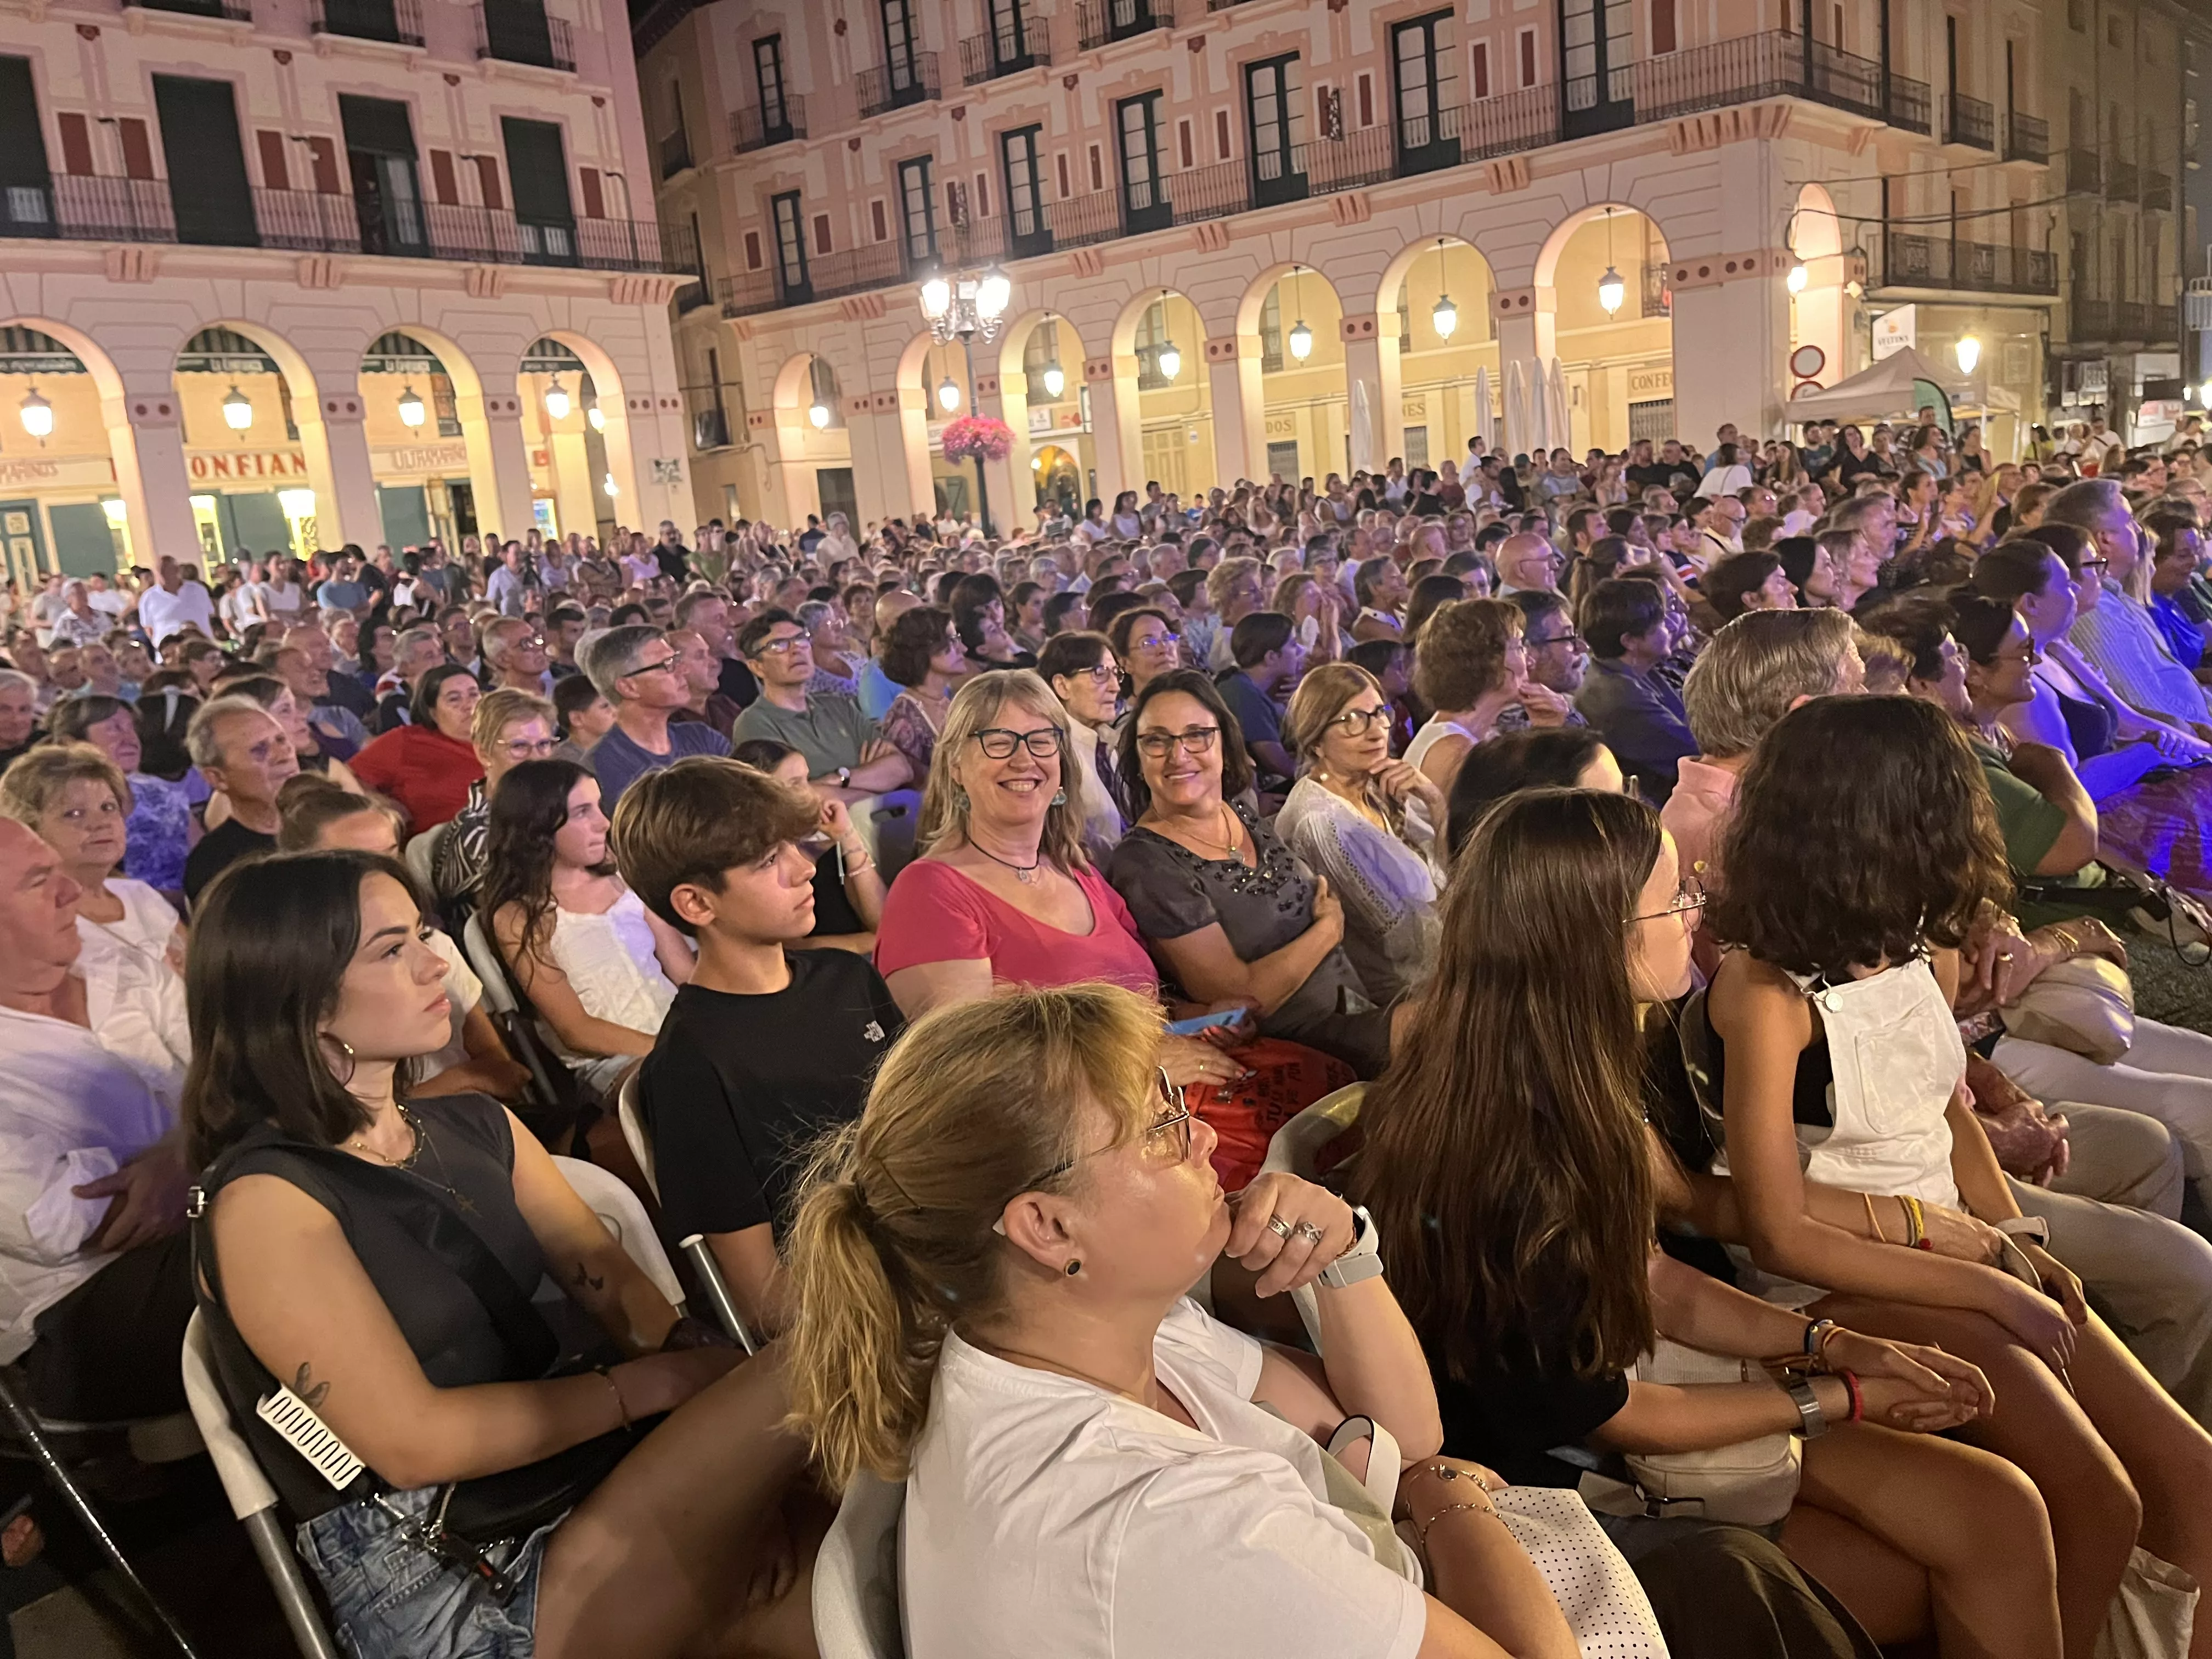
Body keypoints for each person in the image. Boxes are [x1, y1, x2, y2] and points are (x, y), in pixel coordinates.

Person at [1355, 787, 2058, 1659]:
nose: (1697, 911)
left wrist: (1831, 1344)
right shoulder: (1507, 1149)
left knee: (1997, 1510)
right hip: (1566, 1488)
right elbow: (1612, 1413)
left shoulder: (1580, 1064)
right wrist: (1836, 1394)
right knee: (1934, 1565)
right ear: (1601, 937)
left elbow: (1651, 1278)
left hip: (1637, 1411)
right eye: (1674, 895)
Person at [783, 981, 1587, 1659]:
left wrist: (1341, 1251)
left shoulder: (1085, 1333)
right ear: (1048, 1227)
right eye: (1161, 1126)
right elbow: (1427, 1473)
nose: (1203, 1133)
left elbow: (1401, 1436)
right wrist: (1449, 1500)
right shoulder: (1164, 1517)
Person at [183, 848, 815, 1659]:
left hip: (587, 1486)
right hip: (455, 1576)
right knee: (821, 1366)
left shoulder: (480, 1128)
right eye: (391, 950)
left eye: (423, 935)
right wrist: (654, 1389)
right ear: (300, 1002)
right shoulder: (267, 1202)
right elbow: (416, 1443)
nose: (433, 964)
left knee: (839, 1581)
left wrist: (739, 1485)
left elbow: (639, 1314)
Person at [1703, 695, 2212, 1658]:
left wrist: (2012, 1233)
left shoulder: (1912, 944)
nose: (1974, 823)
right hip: (1844, 1276)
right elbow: (1779, 1232)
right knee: (2096, 1498)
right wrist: (1982, 1276)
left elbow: (1944, 1108)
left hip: (1957, 1248)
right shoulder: (1764, 991)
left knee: (2192, 1475)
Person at [614, 759, 903, 1336]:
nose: (804, 871)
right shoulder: (690, 1068)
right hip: (862, 1311)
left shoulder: (846, 978)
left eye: (795, 847)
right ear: (697, 905)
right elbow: (766, 1300)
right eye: (769, 861)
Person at [0, 821, 195, 1436]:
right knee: (304, 1236)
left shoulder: (111, 959)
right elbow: (87, 1221)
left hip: (212, 1217)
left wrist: (183, 1156)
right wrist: (216, 1136)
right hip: (80, 1319)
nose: (72, 892)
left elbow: (240, 1069)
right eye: (39, 881)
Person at [1109, 670, 1392, 1076]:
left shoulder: (1238, 811)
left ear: (1225, 743)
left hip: (1358, 1004)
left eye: (1197, 735)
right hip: (1294, 1051)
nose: (1179, 755)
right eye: (1157, 740)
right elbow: (1239, 998)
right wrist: (1328, 929)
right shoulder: (1146, 863)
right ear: (1137, 759)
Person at [276, 778, 532, 1107]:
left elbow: (500, 1069)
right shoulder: (310, 983)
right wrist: (462, 1079)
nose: (383, 876)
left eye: (389, 855)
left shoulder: (433, 945)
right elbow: (352, 1115)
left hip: (481, 1116)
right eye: (355, 863)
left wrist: (469, 1081)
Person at [482, 760, 689, 1097]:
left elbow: (684, 971)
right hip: (613, 1061)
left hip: (680, 1030)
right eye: (582, 812)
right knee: (682, 1082)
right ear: (538, 827)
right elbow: (575, 1030)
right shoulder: (520, 915)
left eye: (598, 806)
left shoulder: (626, 878)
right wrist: (668, 1048)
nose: (604, 822)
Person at [0, 744, 191, 1096]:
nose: (100, 822)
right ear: (30, 830)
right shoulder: (47, 930)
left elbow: (202, 978)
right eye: (74, 814)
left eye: (109, 808)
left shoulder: (142, 896)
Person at [1276, 663, 1446, 1003]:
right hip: (1405, 998)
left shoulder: (1373, 786)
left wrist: (1437, 803)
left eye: (1380, 713)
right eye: (1353, 720)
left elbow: (1437, 877)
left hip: (1438, 973)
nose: (1377, 731)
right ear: (1316, 742)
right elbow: (1408, 945)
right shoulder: (1322, 823)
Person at [2047, 479, 2212, 732]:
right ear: (2106, 539)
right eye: (2129, 520)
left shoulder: (2115, 596)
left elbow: (2172, 678)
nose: (2138, 528)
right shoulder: (2095, 610)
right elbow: (2149, 704)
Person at [730, 611, 910, 804]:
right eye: (779, 645)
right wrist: (873, 790)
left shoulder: (839, 705)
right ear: (757, 667)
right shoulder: (755, 722)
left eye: (801, 639)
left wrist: (841, 778)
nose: (796, 650)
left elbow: (901, 768)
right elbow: (791, 798)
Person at [728, 740, 887, 953]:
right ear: (757, 796)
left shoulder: (829, 845)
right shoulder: (756, 864)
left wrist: (848, 836)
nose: (810, 793)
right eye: (795, 784)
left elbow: (881, 921)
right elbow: (788, 948)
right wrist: (869, 943)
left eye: (807, 779)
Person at [1405, 598, 1553, 810]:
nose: (1530, 661)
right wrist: (1547, 731)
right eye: (1519, 647)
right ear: (1487, 662)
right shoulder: (1453, 752)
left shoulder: (1478, 735)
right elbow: (1510, 825)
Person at [46, 692, 199, 894]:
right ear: (71, 744)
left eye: (132, 728)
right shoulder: (58, 809)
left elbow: (203, 857)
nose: (130, 739)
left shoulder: (163, 793)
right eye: (113, 729)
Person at [572, 625, 732, 813]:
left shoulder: (703, 738)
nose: (684, 671)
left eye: (677, 659)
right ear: (628, 687)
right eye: (668, 664)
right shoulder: (602, 766)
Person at [432, 687, 560, 916]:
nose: (536, 758)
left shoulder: (550, 802)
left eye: (544, 744)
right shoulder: (480, 835)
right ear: (484, 754)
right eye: (519, 747)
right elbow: (526, 917)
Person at [1574, 578, 1696, 804]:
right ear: (1630, 641)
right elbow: (1697, 752)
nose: (1670, 625)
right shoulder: (1620, 698)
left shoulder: (1637, 671)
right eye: (1660, 623)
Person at [183, 697, 301, 904]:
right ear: (218, 778)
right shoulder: (217, 866)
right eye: (259, 750)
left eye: (281, 740)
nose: (284, 755)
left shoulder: (334, 821)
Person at [348, 664, 486, 832]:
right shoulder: (407, 741)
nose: (469, 705)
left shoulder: (504, 738)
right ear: (432, 711)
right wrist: (382, 804)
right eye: (454, 699)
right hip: (432, 848)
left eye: (474, 695)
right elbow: (345, 776)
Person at [1036, 630, 1128, 854]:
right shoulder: (1054, 753)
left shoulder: (1106, 745)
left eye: (1116, 674)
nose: (1115, 686)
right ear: (1062, 686)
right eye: (1100, 673)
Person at [876, 605, 965, 780]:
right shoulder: (905, 721)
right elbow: (913, 787)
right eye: (952, 641)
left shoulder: (948, 701)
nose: (963, 649)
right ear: (924, 650)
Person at [552, 673, 617, 766]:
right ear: (577, 719)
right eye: (605, 706)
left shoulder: (622, 751)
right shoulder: (564, 764)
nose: (616, 711)